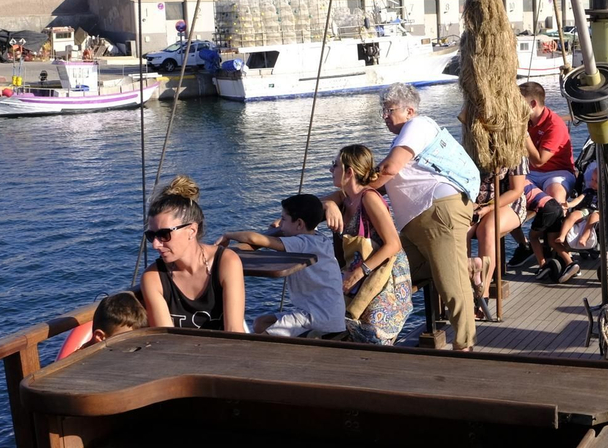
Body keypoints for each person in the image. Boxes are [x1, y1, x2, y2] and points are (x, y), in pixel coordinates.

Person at [370, 83, 481, 351]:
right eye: (383, 110)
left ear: (409, 111)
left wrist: (355, 190)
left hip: (437, 212)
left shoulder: (417, 125)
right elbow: (389, 177)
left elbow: (389, 169)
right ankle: (469, 265)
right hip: (418, 222)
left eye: (389, 110)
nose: (384, 116)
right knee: (398, 268)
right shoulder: (405, 137)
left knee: (451, 284)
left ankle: (464, 347)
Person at [321, 144, 413, 345]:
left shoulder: (369, 198)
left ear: (349, 172)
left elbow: (393, 244)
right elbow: (313, 204)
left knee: (370, 332)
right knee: (333, 317)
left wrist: (359, 272)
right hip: (362, 271)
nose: (330, 169)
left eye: (335, 165)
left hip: (385, 272)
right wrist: (328, 204)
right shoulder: (345, 199)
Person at [221, 194, 346, 339]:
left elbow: (254, 239)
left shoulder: (301, 243)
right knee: (260, 323)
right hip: (331, 315)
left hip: (316, 317)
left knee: (258, 340)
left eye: (283, 219)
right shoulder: (320, 239)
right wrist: (280, 227)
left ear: (299, 224)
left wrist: (228, 235)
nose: (280, 224)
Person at [141, 176, 246, 331]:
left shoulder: (227, 262)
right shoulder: (153, 278)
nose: (155, 244)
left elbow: (234, 331)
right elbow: (166, 339)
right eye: (151, 235)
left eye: (164, 234)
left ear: (191, 231)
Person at [470, 154, 529, 310]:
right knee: (460, 231)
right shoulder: (470, 147)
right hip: (475, 203)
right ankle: (463, 286)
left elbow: (516, 190)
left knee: (487, 229)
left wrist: (489, 207)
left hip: (507, 204)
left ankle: (482, 294)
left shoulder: (515, 151)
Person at [520, 81, 577, 203]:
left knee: (556, 196)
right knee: (511, 189)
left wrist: (523, 133)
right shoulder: (525, 121)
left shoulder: (554, 125)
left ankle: (559, 213)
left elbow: (539, 161)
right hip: (529, 172)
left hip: (557, 173)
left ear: (533, 104)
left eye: (518, 103)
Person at [546, 161, 599, 284]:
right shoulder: (588, 191)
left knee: (593, 217)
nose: (592, 183)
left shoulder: (605, 194)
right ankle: (562, 235)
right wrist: (569, 204)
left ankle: (584, 237)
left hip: (598, 211)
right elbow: (579, 199)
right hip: (586, 210)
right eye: (592, 180)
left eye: (596, 181)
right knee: (573, 215)